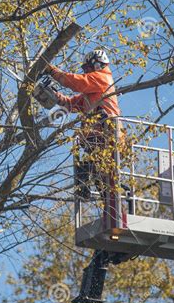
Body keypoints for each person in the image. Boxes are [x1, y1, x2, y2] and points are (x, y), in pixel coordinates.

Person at [44, 49, 128, 209]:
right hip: (97, 138)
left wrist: (52, 71)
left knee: (89, 169)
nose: (86, 73)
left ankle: (117, 204)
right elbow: (71, 104)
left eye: (87, 69)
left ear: (97, 65)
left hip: (108, 134)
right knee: (100, 178)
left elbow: (77, 82)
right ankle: (115, 209)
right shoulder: (90, 94)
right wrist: (54, 94)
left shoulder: (103, 78)